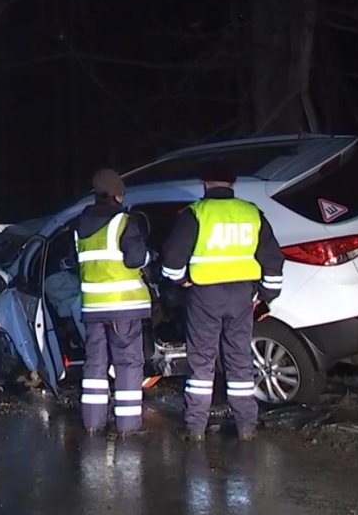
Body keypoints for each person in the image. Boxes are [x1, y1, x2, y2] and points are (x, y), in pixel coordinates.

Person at [160, 161, 284, 442]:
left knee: (202, 362)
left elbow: (172, 261)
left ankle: (195, 428)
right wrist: (265, 296)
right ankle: (247, 426)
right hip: (242, 296)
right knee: (239, 360)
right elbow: (273, 260)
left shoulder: (196, 214)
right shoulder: (251, 213)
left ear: (204, 183)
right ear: (233, 183)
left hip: (205, 296)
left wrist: (181, 282)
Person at [75, 168, 152, 436]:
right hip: (123, 306)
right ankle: (128, 427)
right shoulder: (123, 221)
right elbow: (134, 259)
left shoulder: (81, 222)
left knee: (95, 363)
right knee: (128, 363)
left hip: (92, 308)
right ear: (118, 194)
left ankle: (93, 423)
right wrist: (149, 258)